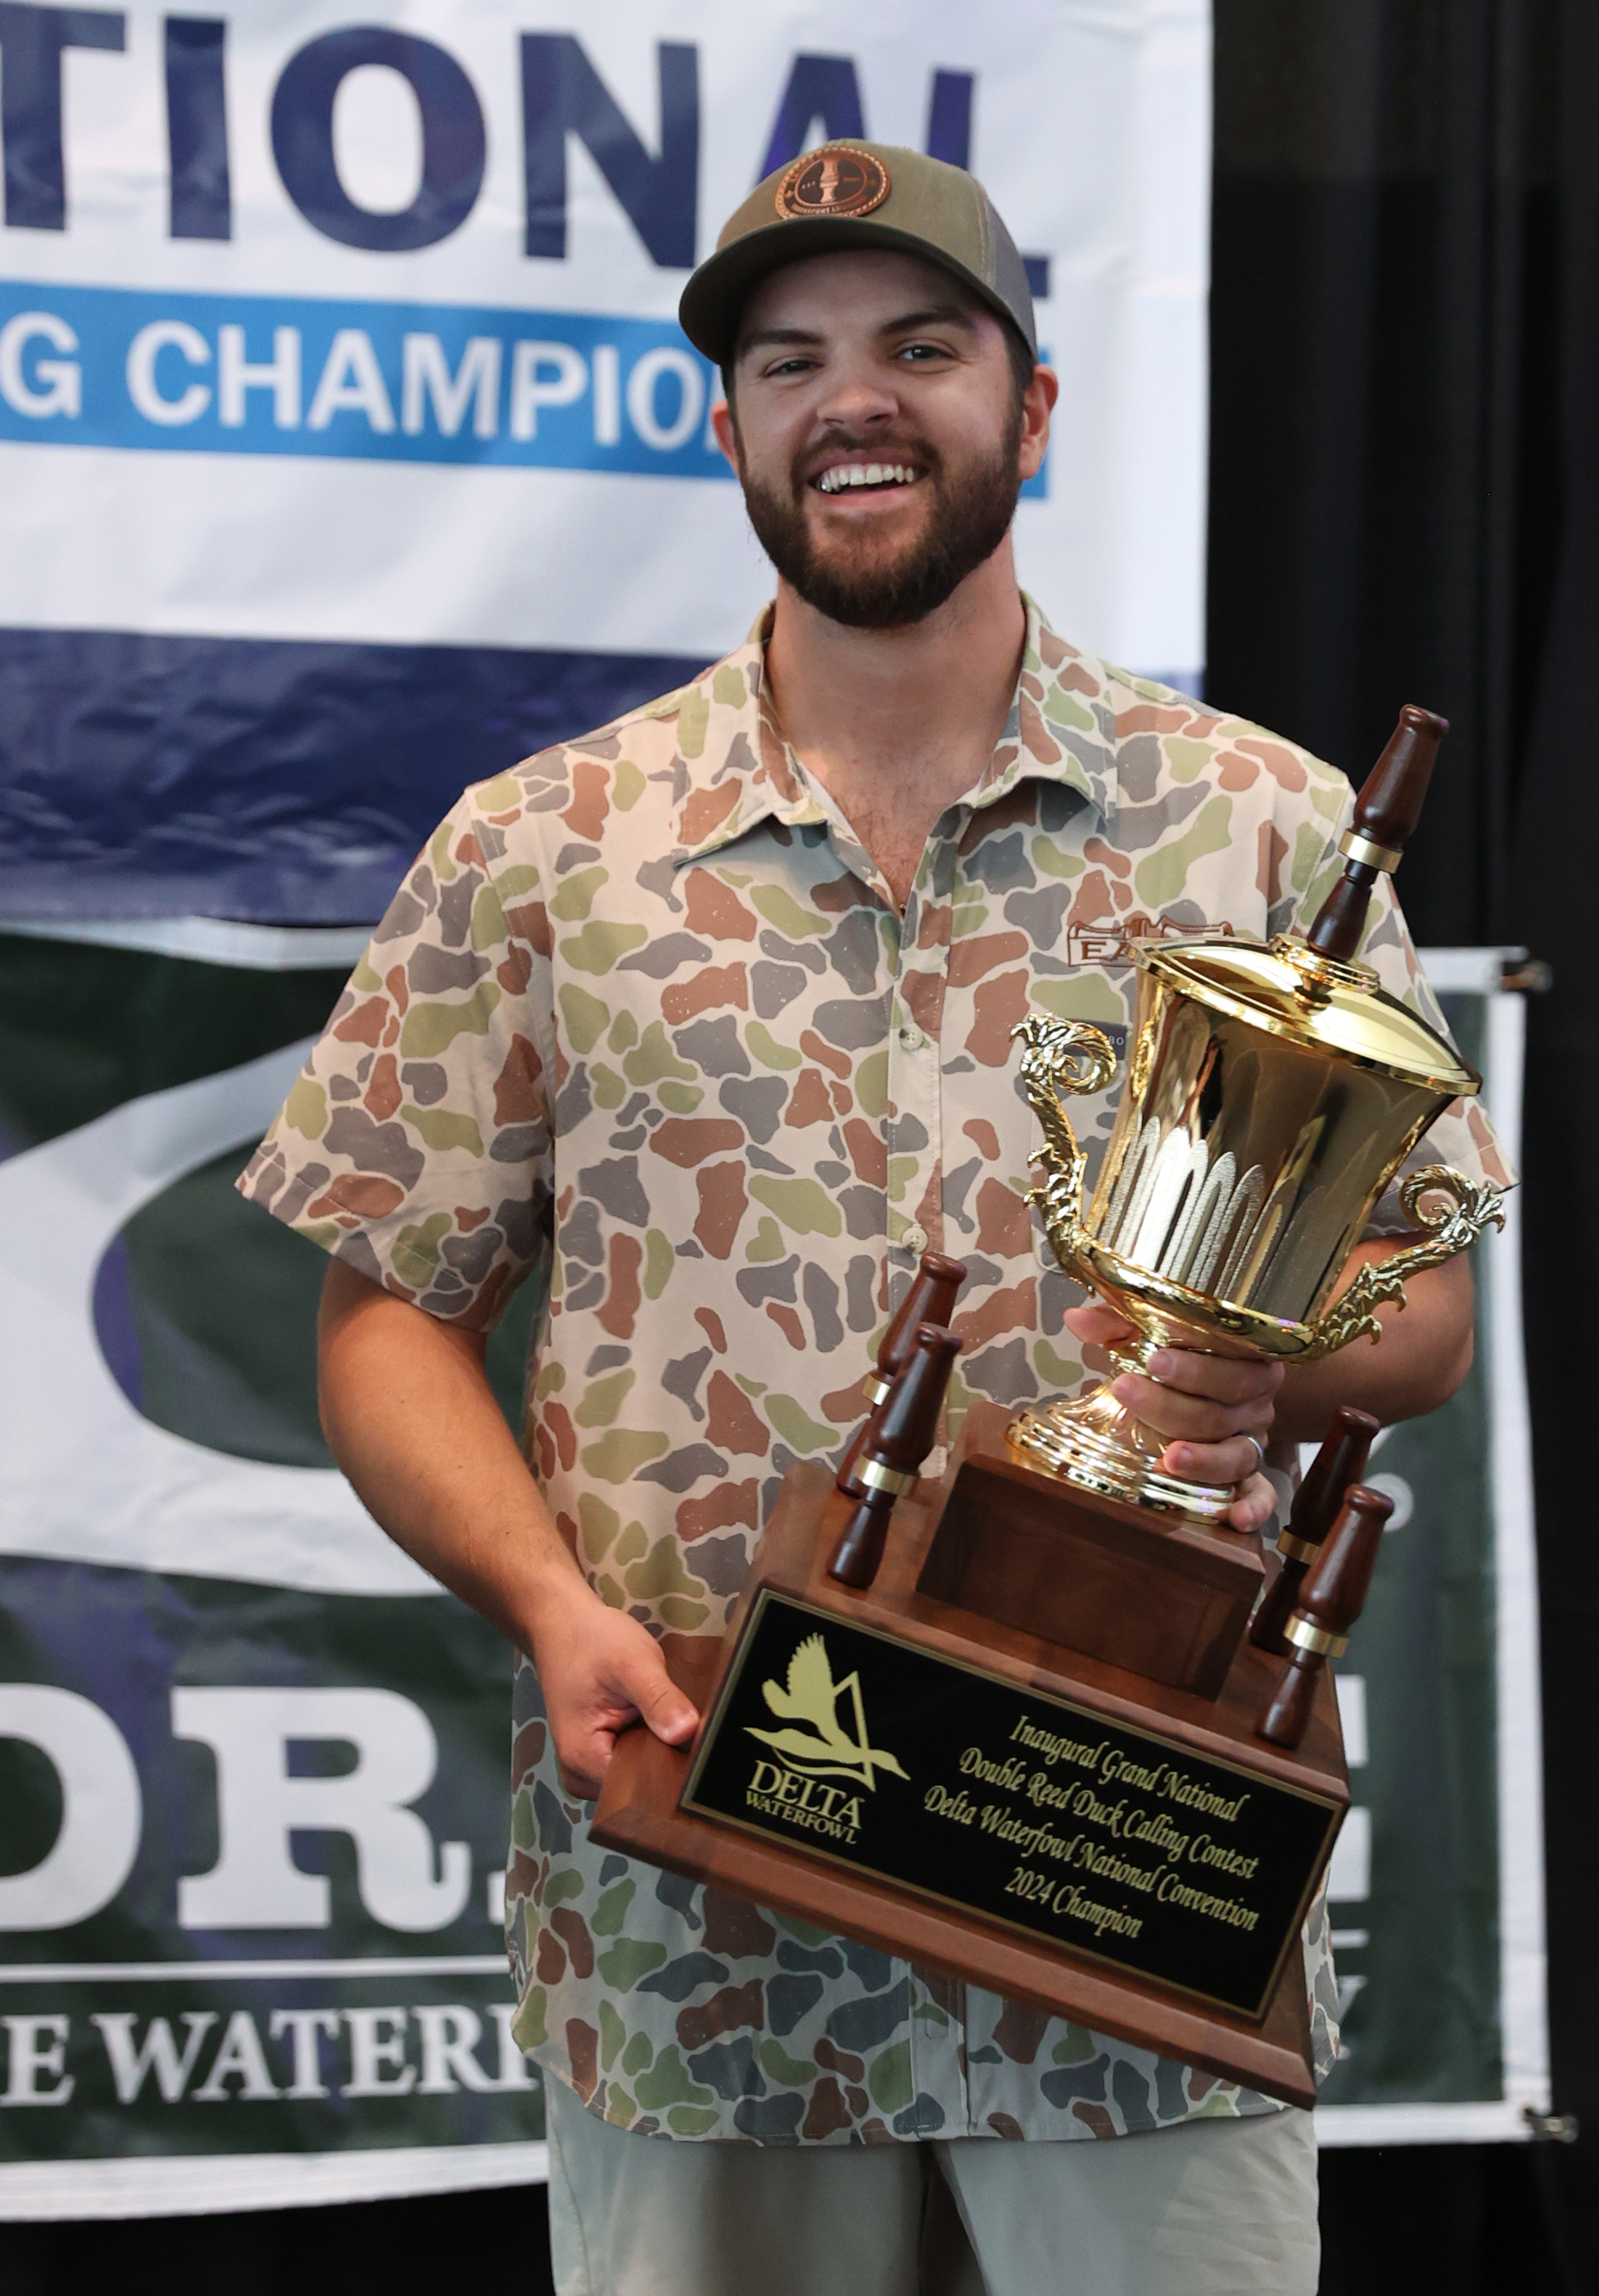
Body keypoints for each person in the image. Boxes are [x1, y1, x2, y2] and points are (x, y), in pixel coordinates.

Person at [238, 142, 1512, 2296]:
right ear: (727, 424)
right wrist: (547, 1606)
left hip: (1124, 1880)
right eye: (790, 359)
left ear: (1033, 407)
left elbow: (1424, 1319)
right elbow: (389, 1314)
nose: (855, 400)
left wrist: (1247, 1367)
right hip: (700, 1907)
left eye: (923, 347)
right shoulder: (543, 846)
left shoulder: (1263, 833)